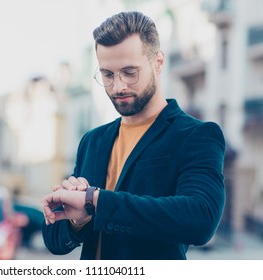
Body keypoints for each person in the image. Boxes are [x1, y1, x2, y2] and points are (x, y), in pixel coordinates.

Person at [41, 11, 226, 260]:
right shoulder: (92, 142)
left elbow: (201, 219)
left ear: (158, 62)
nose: (118, 86)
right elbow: (56, 242)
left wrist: (96, 201)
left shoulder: (196, 136)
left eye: (130, 72)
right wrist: (77, 220)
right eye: (107, 75)